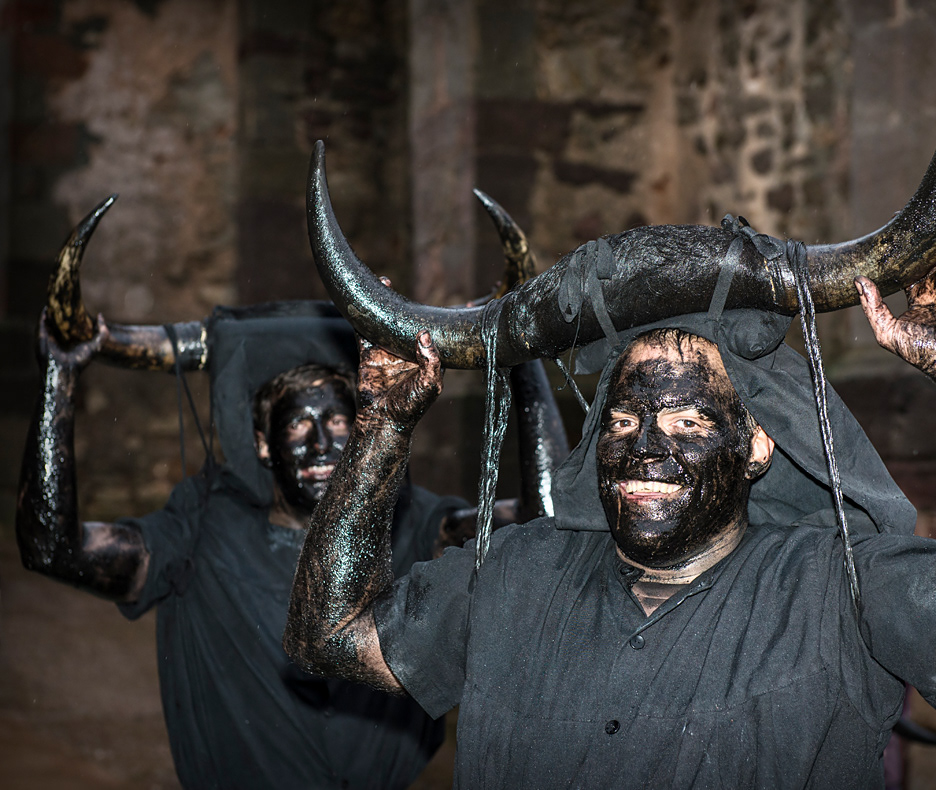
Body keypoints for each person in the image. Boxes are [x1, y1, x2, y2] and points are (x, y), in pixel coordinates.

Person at [283, 224, 936, 788]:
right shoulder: (516, 574)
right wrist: (384, 425)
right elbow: (326, 637)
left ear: (757, 445)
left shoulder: (843, 586)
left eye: (690, 422)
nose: (646, 447)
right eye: (623, 420)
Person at [16, 300, 561, 789]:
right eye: (299, 424)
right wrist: (59, 378)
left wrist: (520, 356)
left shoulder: (413, 519)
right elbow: (52, 549)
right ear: (263, 443)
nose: (323, 442)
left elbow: (549, 523)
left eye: (339, 420)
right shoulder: (201, 530)